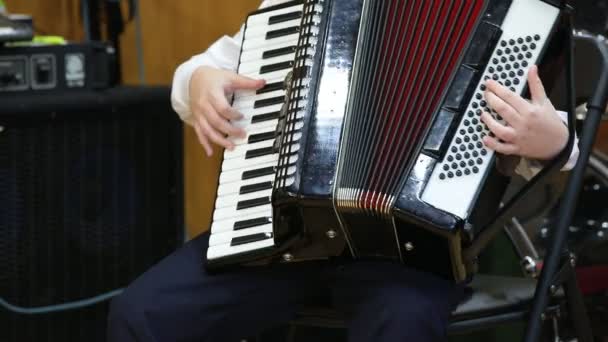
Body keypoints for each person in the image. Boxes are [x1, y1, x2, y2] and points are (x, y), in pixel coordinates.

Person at [107, 1, 580, 341]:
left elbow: (556, 130)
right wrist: (200, 82)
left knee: (401, 321)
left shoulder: (508, 19)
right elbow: (204, 68)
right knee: (142, 312)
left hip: (408, 251)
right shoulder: (302, 8)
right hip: (280, 236)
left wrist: (556, 140)